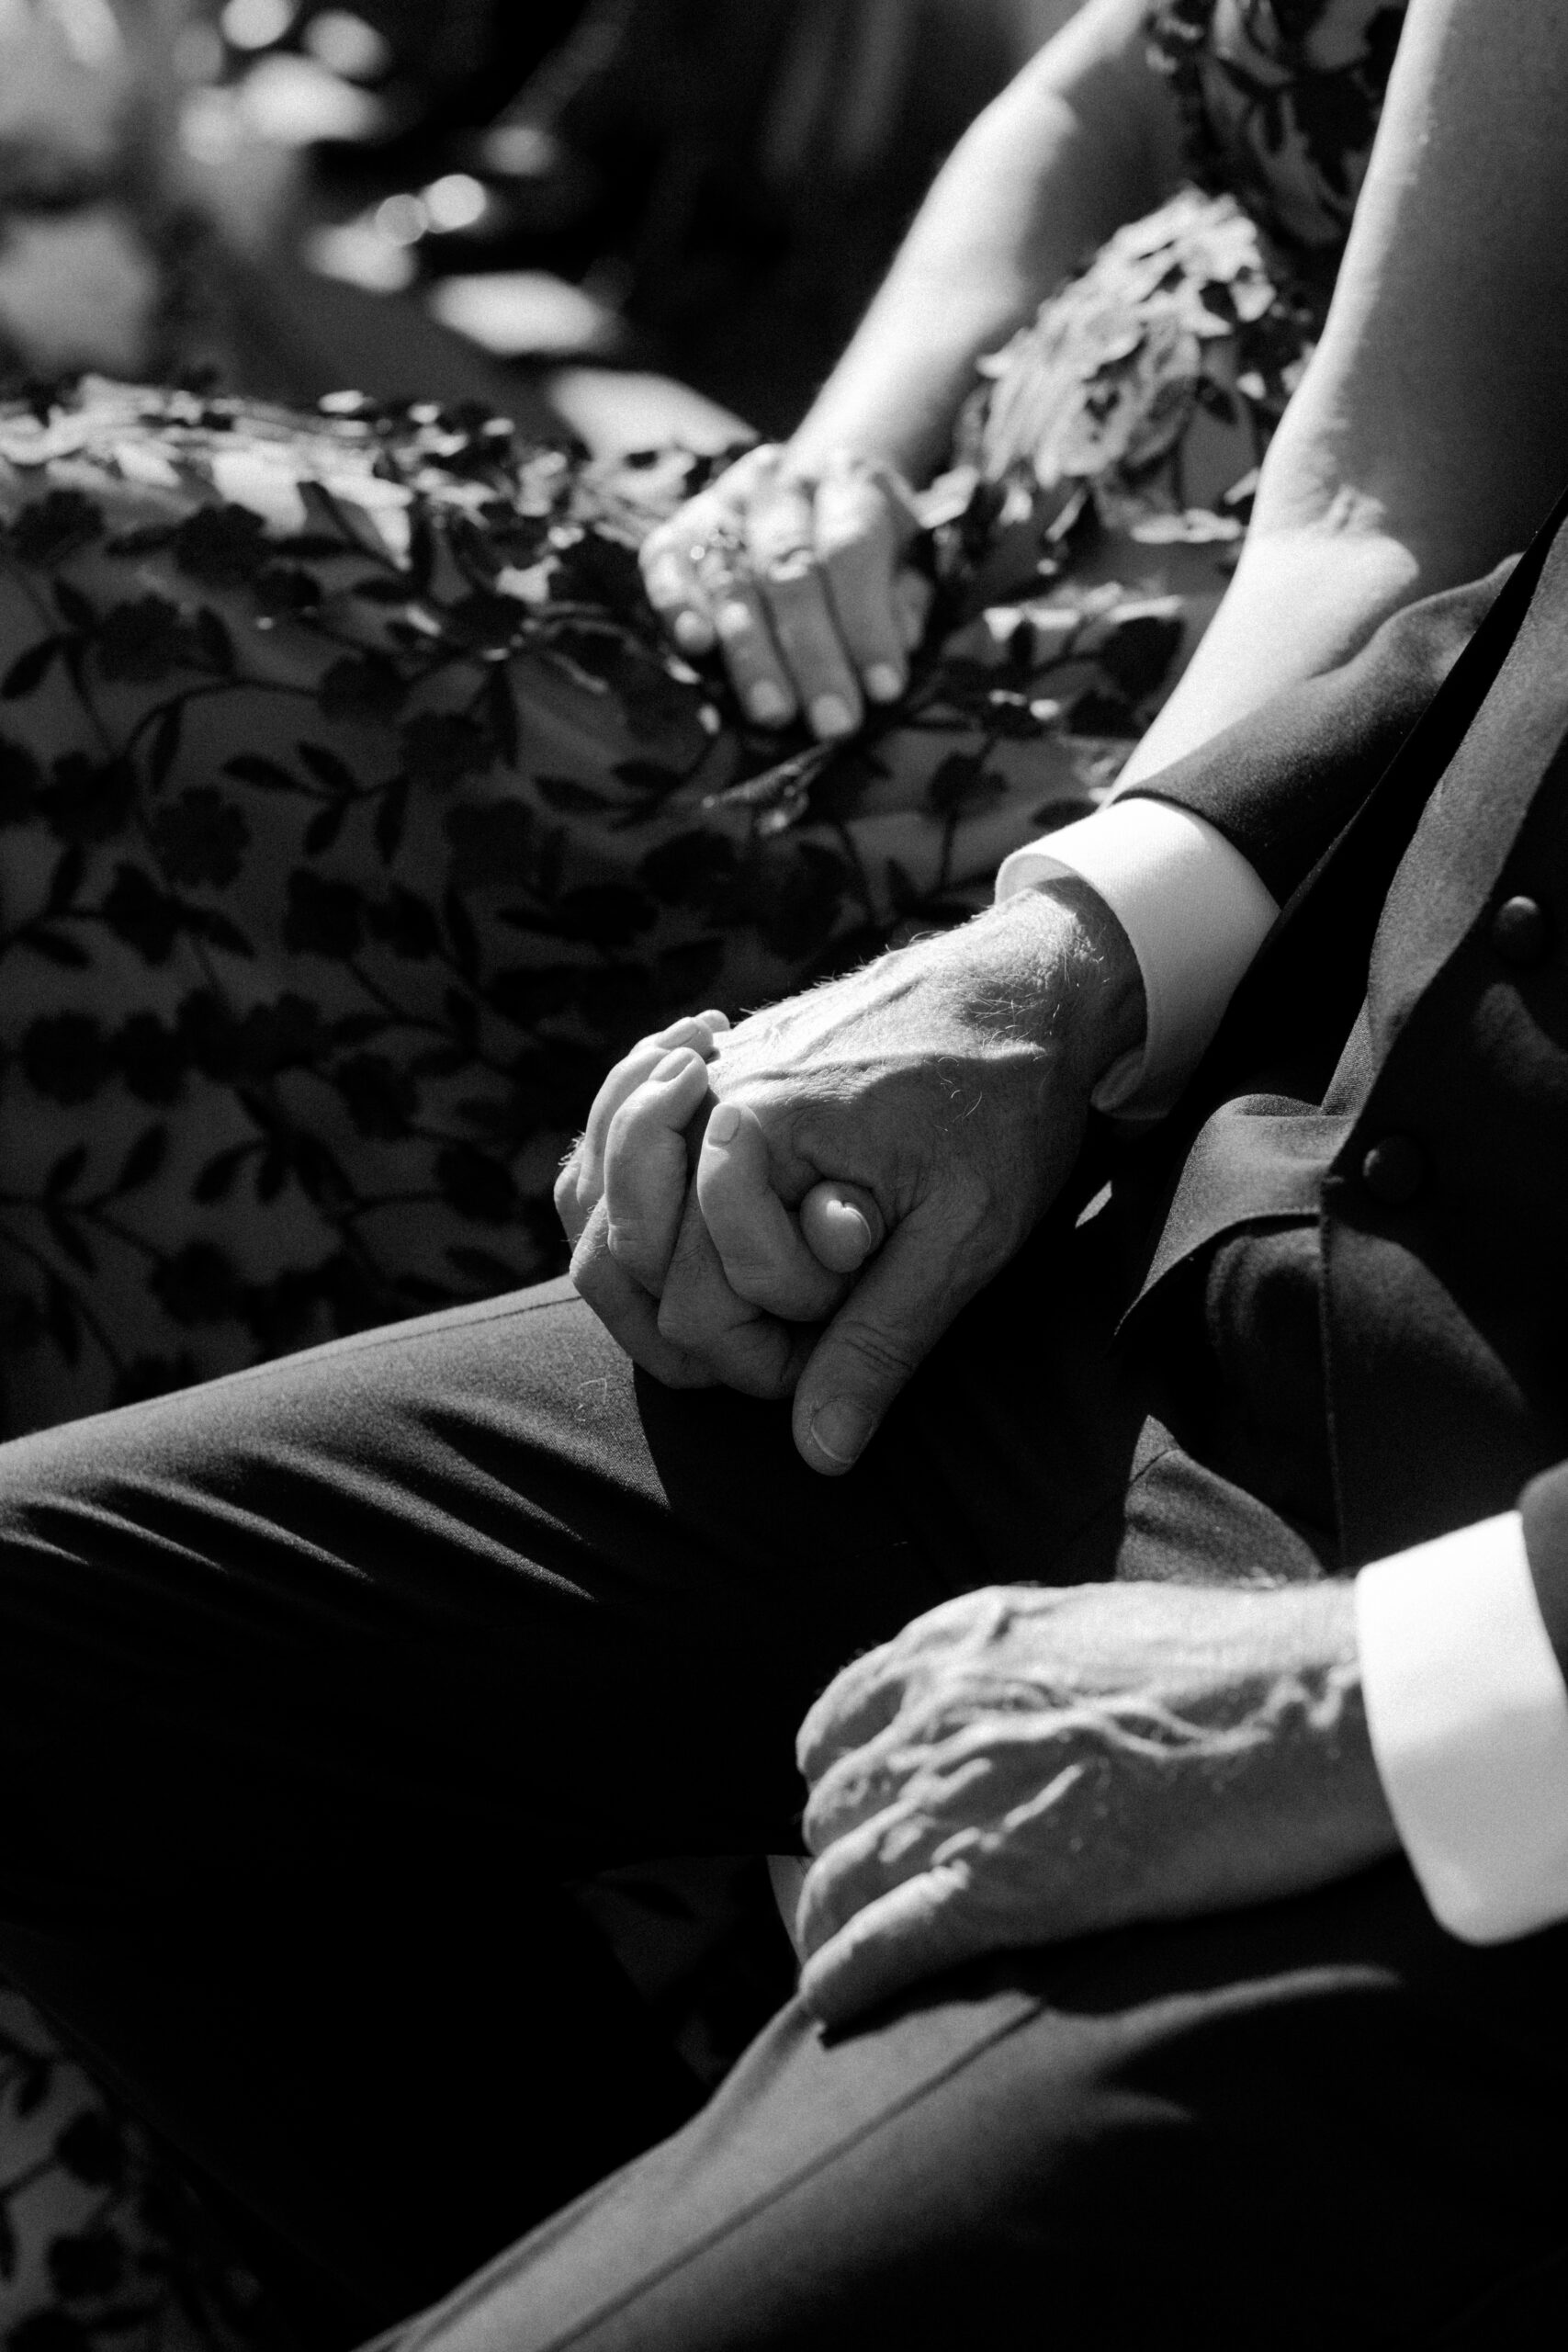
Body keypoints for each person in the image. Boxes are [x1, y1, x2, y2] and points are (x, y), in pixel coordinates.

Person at [7, 2, 1568, 2346]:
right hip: (1240, 1217)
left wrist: (1376, 1690)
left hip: (1461, 1655)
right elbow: (1481, 557)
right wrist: (1066, 966)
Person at [0, 0, 1407, 1438]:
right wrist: (832, 467)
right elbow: (1103, 97)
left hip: (1160, 741)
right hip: (920, 544)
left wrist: (1083, 936)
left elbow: (1381, 498)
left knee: (67, 607)